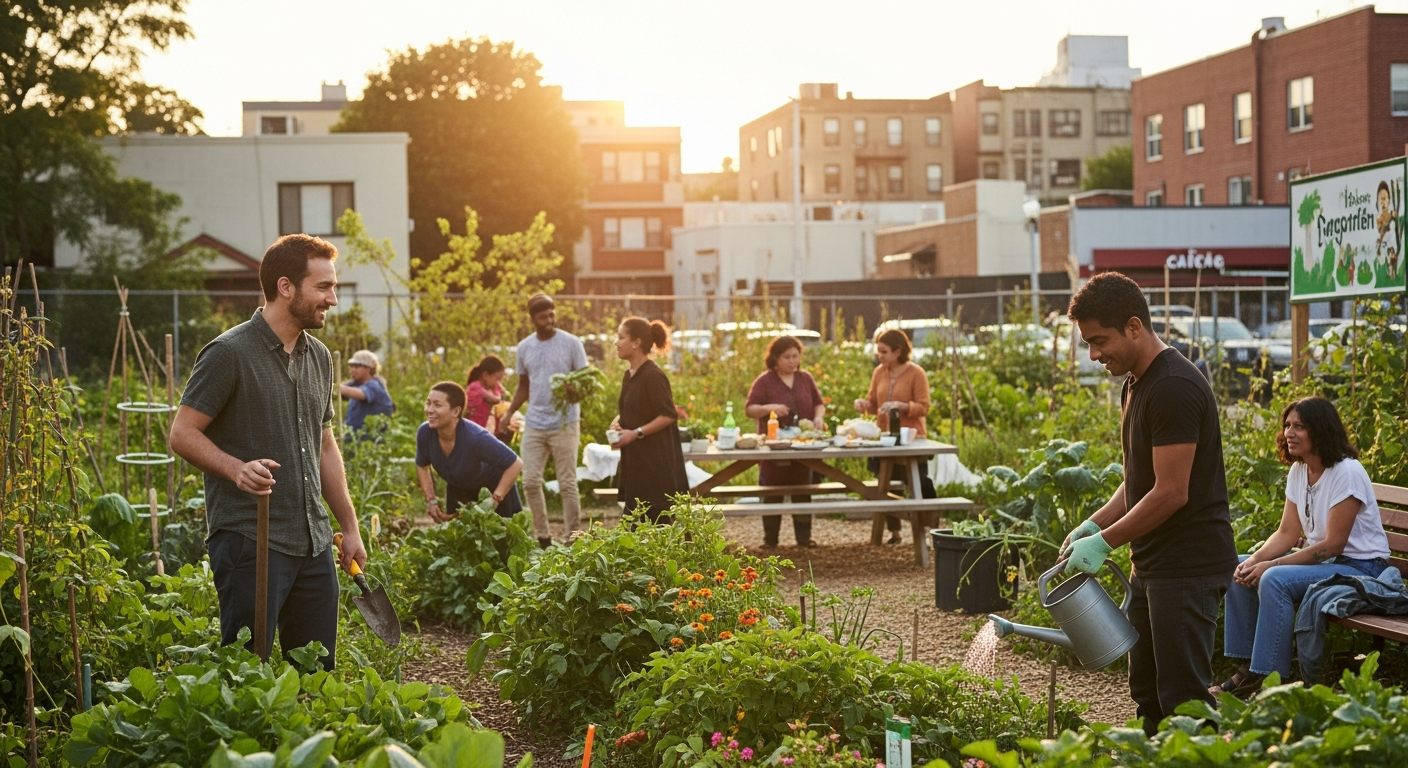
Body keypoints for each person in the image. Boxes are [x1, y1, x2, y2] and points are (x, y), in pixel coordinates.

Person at [170, 234, 365, 670]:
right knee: (246, 670)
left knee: (316, 673)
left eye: (333, 287)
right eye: (323, 287)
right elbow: (182, 433)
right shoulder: (229, 353)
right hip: (250, 538)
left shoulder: (319, 357)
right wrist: (236, 469)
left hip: (313, 540)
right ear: (285, 287)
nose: (333, 299)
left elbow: (324, 443)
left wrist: (349, 527)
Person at [1060, 271, 1238, 736]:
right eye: (1088, 344)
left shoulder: (1173, 387)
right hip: (1154, 564)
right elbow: (1139, 480)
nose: (1094, 354)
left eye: (1100, 341)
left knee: (1184, 697)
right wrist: (1093, 524)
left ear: (1134, 326)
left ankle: (1201, 760)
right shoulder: (1136, 383)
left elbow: (1171, 492)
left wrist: (1105, 542)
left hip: (1188, 565)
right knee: (1147, 689)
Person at [1214, 396, 1390, 695]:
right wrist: (1254, 560)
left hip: (1362, 567)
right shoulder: (1299, 471)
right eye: (1287, 425)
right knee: (1240, 567)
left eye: (1299, 426)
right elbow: (1286, 532)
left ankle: (1270, 678)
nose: (1289, 433)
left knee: (1274, 578)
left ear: (1320, 430)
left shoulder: (1346, 472)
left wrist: (1272, 565)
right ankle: (1249, 667)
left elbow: (1333, 545)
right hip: (1328, 564)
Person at [500, 294, 589, 548]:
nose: (549, 320)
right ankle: (543, 538)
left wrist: (574, 390)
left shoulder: (571, 343)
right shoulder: (525, 347)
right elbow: (523, 385)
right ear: (533, 320)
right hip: (535, 423)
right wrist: (509, 412)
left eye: (552, 315)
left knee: (567, 483)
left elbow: (585, 382)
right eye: (543, 317)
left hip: (565, 423)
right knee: (530, 482)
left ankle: (572, 538)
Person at [853, 328, 933, 545]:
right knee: (885, 483)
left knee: (917, 481)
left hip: (911, 437)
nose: (879, 355)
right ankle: (894, 531)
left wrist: (902, 406)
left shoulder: (916, 373)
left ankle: (927, 525)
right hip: (885, 438)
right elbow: (875, 404)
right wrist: (864, 405)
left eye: (884, 351)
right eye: (878, 351)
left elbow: (924, 407)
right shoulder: (879, 372)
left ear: (898, 352)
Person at [745, 335, 825, 547]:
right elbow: (750, 409)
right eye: (787, 357)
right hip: (774, 444)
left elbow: (819, 403)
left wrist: (818, 418)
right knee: (772, 490)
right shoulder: (765, 381)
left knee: (802, 488)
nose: (792, 361)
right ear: (775, 358)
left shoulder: (805, 378)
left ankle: (804, 537)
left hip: (802, 444)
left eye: (795, 356)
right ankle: (770, 539)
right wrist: (769, 408)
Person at [609, 317, 689, 522]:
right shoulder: (630, 375)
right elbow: (634, 408)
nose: (616, 342)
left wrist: (636, 433)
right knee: (635, 525)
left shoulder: (653, 376)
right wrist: (617, 422)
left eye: (621, 337)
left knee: (655, 525)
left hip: (654, 466)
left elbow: (668, 414)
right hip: (636, 463)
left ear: (636, 342)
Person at [416, 381, 524, 521]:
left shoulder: (475, 437)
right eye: (428, 403)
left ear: (456, 411)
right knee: (457, 534)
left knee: (500, 533)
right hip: (459, 491)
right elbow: (422, 466)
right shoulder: (425, 433)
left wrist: (494, 500)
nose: (430, 410)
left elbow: (515, 464)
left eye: (437, 405)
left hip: (493, 490)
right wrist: (431, 500)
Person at [339, 349, 395, 432]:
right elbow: (342, 390)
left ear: (368, 368)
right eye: (351, 366)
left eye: (356, 367)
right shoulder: (356, 383)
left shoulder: (374, 385)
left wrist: (336, 388)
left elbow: (361, 393)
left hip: (373, 437)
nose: (352, 370)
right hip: (354, 435)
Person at [464, 355, 507, 430]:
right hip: (469, 428)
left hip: (479, 428)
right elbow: (496, 400)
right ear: (485, 375)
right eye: (497, 379)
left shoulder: (488, 388)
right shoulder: (475, 387)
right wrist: (498, 392)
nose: (498, 383)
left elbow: (503, 392)